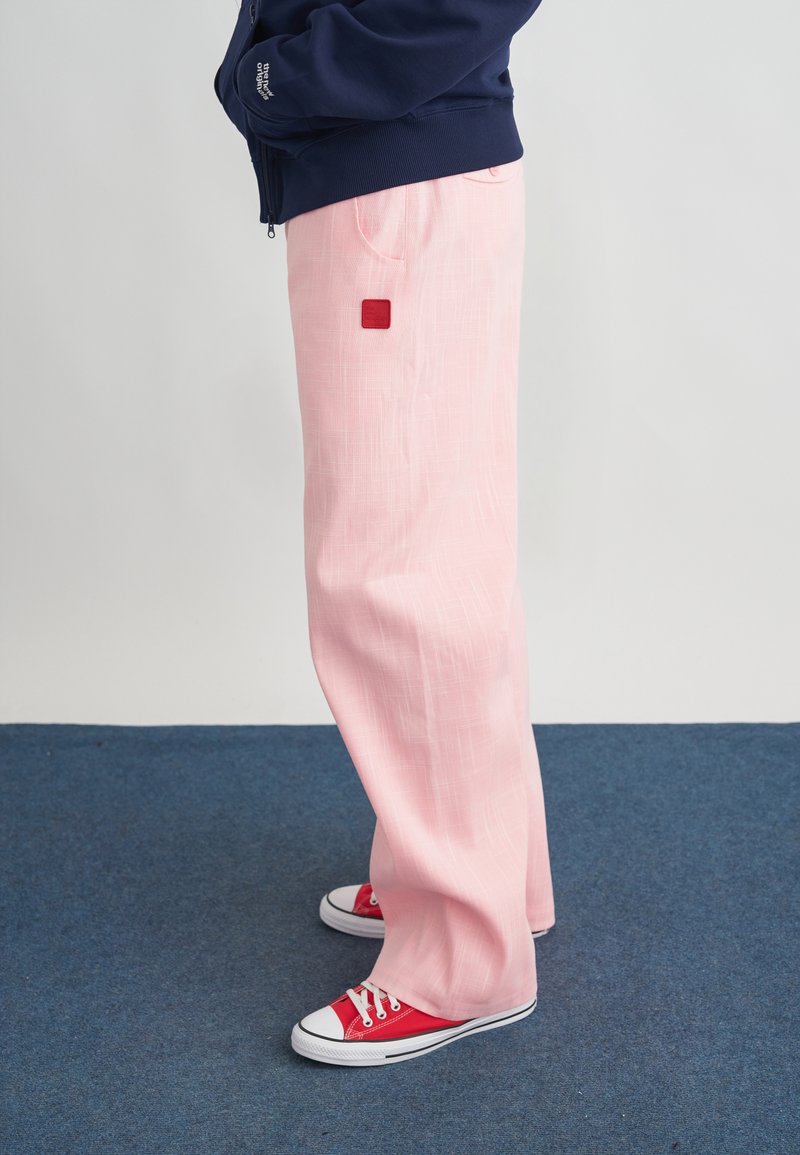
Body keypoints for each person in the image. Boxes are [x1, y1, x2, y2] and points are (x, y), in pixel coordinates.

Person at [214, 0, 556, 1067]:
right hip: (409, 177)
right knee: (444, 546)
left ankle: (461, 951)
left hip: (394, 182)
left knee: (391, 571)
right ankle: (487, 880)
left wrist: (272, 82)